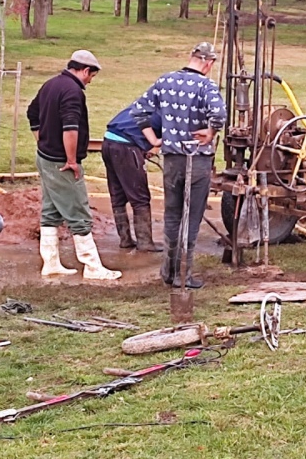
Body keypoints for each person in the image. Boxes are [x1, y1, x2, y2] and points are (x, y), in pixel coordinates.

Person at [131, 42, 225, 288]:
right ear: (208, 63)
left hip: (172, 159)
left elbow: (138, 110)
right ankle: (184, 274)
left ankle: (168, 272)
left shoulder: (165, 81)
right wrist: (211, 132)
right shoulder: (207, 85)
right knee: (192, 218)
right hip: (198, 160)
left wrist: (154, 140)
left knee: (172, 216)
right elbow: (220, 114)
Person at [27, 50, 120, 280]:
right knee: (79, 212)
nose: (90, 81)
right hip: (61, 162)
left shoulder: (50, 84)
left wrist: (42, 141)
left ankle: (50, 263)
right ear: (85, 70)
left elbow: (32, 113)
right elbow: (70, 128)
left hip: (45, 157)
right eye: (91, 76)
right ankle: (92, 266)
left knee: (51, 211)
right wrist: (71, 161)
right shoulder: (72, 92)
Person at [101, 104, 163, 252]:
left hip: (108, 142)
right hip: (126, 145)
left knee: (117, 195)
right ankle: (145, 242)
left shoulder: (147, 102)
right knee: (140, 197)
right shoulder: (171, 112)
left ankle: (125, 239)